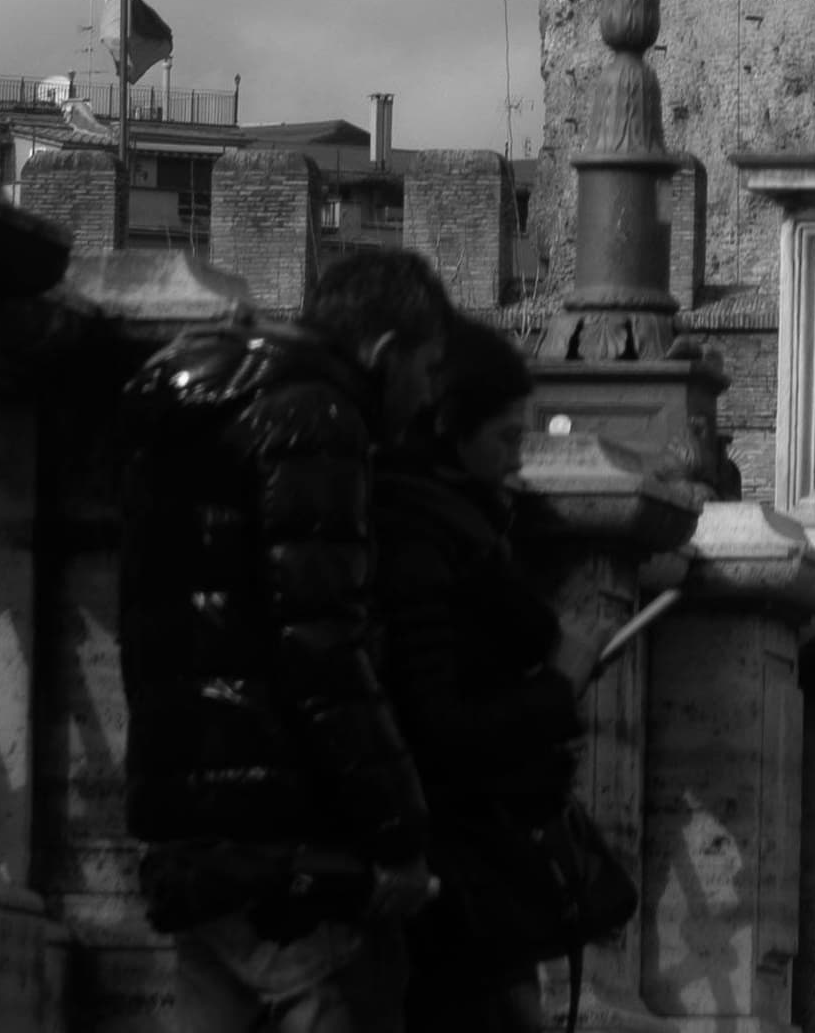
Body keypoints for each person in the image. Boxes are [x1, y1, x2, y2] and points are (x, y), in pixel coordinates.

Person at [119, 235, 448, 1032]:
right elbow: (320, 640)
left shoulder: (189, 405)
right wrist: (398, 827)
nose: (429, 398)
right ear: (382, 350)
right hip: (294, 834)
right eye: (429, 370)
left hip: (195, 829)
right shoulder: (315, 417)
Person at [372, 318, 588, 1033]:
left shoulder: (455, 521)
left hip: (473, 863)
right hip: (453, 869)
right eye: (505, 439)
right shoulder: (421, 535)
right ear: (449, 429)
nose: (516, 462)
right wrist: (560, 683)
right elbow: (438, 723)